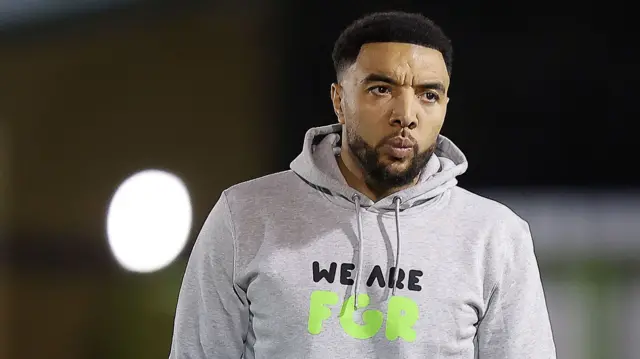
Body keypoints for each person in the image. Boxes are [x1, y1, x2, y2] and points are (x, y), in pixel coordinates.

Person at [169, 11, 556, 359]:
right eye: (381, 89)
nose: (405, 115)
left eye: (428, 95)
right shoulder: (246, 217)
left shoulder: (494, 236)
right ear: (339, 100)